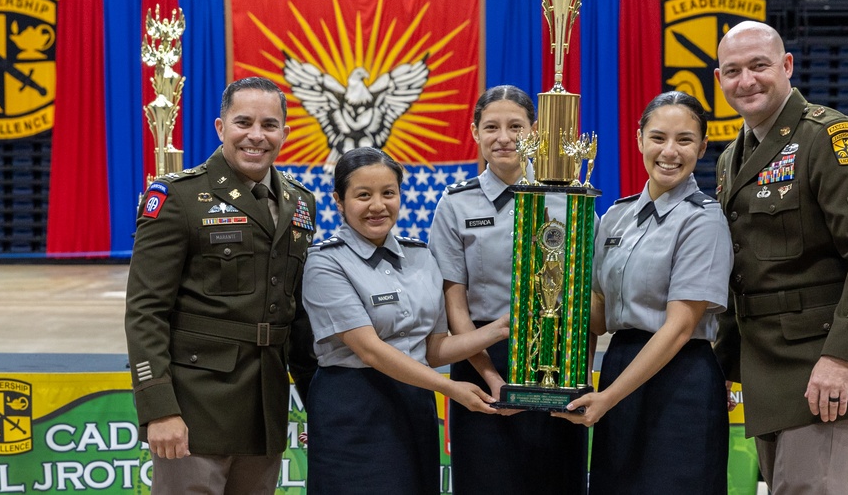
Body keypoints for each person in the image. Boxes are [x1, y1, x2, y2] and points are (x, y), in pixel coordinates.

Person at [712, 21, 848, 494]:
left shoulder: (830, 137)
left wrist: (841, 356)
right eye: (733, 70)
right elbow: (744, 269)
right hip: (765, 366)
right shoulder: (730, 158)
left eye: (759, 66)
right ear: (719, 81)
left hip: (820, 361)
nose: (747, 80)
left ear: (786, 66)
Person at [125, 77, 317, 493]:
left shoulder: (300, 202)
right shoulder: (177, 197)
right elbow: (145, 311)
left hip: (265, 409)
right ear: (220, 127)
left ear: (284, 132)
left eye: (269, 125)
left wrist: (319, 399)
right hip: (195, 410)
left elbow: (297, 314)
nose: (256, 136)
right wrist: (159, 410)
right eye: (243, 122)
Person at [552, 91, 732, 494]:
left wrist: (607, 397)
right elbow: (596, 314)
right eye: (658, 137)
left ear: (703, 147)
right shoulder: (616, 215)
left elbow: (680, 327)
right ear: (639, 140)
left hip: (680, 379)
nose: (670, 151)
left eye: (685, 140)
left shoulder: (704, 221)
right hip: (620, 367)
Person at [303, 147, 509, 495]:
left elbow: (433, 347)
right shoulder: (325, 263)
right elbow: (370, 351)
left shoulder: (421, 256)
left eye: (388, 193)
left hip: (414, 404)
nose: (378, 206)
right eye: (363, 195)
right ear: (339, 201)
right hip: (354, 406)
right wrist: (449, 389)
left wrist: (502, 327)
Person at [428, 86, 588, 495]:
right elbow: (453, 297)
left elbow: (584, 290)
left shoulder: (566, 196)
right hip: (481, 361)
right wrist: (491, 377)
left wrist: (572, 368)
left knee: (555, 480)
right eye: (491, 127)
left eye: (515, 126)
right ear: (475, 133)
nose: (503, 137)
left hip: (555, 360)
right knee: (487, 480)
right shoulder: (455, 205)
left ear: (534, 131)